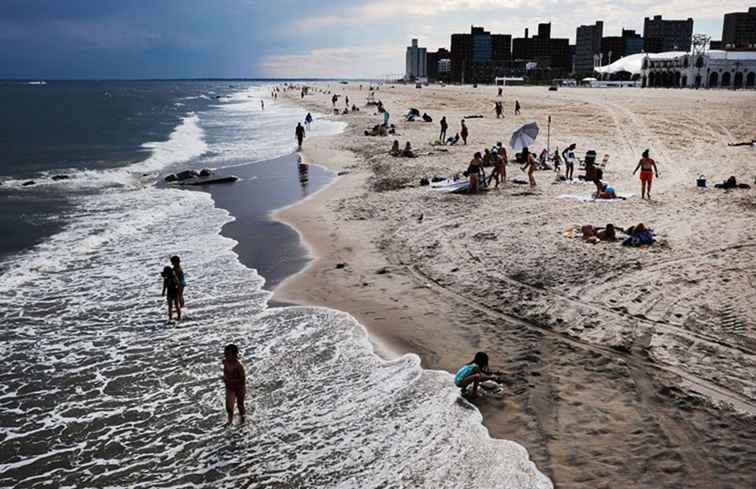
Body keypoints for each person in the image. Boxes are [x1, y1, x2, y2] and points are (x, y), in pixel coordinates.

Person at [223, 344, 246, 425]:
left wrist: (231, 381)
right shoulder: (225, 362)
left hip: (240, 388)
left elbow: (242, 380)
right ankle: (229, 422)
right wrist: (225, 378)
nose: (225, 356)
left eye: (227, 354)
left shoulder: (239, 366)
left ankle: (243, 419)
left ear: (234, 355)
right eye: (224, 354)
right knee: (229, 407)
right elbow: (225, 371)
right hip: (229, 388)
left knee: (240, 405)